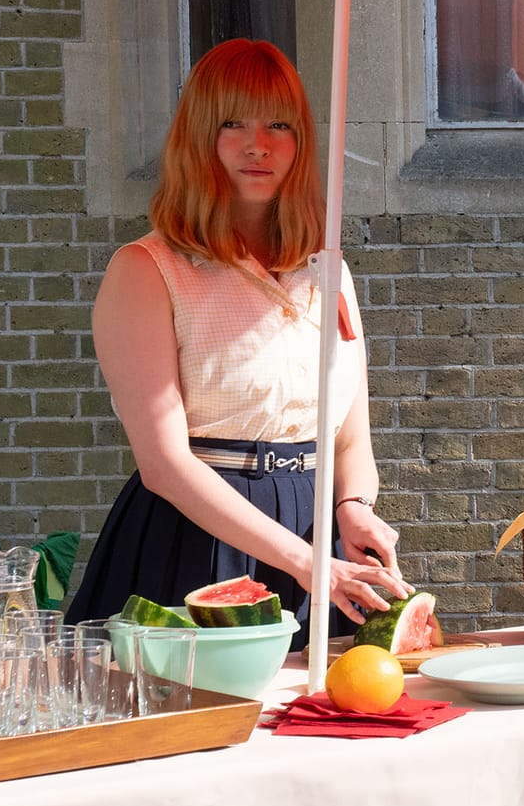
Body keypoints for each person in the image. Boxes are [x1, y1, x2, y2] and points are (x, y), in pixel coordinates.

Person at [68, 38, 407, 643]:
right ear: (199, 137)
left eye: (279, 123)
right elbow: (165, 466)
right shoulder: (146, 271)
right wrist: (307, 563)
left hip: (316, 541)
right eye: (233, 124)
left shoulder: (330, 272)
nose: (259, 144)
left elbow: (351, 436)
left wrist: (353, 507)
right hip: (194, 544)